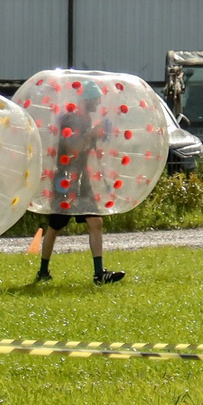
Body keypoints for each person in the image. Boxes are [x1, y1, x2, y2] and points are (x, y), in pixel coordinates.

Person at [35, 77, 125, 285]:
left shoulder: (85, 121)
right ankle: (42, 271)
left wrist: (99, 136)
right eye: (95, 100)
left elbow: (86, 149)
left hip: (82, 180)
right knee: (55, 225)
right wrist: (91, 133)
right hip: (65, 180)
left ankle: (99, 273)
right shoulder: (71, 119)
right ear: (87, 100)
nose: (98, 104)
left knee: (96, 222)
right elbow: (72, 150)